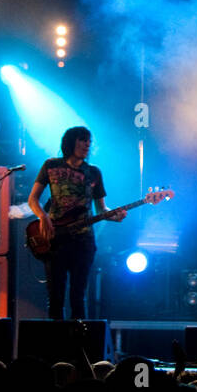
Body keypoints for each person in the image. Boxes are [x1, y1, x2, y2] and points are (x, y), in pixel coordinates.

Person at [28, 126, 124, 320]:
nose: (87, 144)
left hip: (83, 241)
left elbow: (101, 210)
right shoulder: (51, 165)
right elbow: (33, 200)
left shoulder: (94, 173)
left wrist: (115, 216)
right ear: (71, 142)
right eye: (82, 140)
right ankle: (56, 347)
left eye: (89, 141)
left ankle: (79, 348)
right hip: (55, 239)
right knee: (55, 297)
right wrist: (43, 216)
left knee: (78, 297)